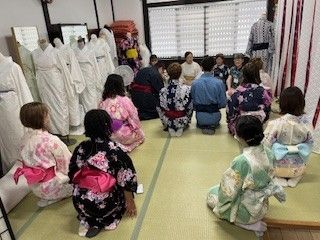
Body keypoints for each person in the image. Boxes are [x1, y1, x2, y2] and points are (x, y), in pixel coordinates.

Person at [207, 115, 286, 237]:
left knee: (211, 194)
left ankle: (247, 224)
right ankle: (252, 221)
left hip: (247, 211)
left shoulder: (242, 161)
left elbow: (228, 190)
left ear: (240, 138)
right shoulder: (268, 152)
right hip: (262, 206)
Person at [69, 110, 137, 238]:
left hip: (82, 202)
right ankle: (104, 220)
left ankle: (88, 220)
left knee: (85, 192)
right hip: (106, 203)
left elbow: (73, 173)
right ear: (108, 126)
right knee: (118, 188)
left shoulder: (81, 148)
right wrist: (130, 201)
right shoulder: (115, 150)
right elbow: (126, 179)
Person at [14, 102, 72, 207]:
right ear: (43, 118)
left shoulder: (24, 139)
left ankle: (46, 197)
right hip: (51, 186)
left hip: (34, 186)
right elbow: (67, 163)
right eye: (47, 115)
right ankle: (54, 197)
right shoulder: (51, 140)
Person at [263, 87, 313, 187]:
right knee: (299, 167)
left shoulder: (276, 124)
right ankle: (296, 177)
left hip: (278, 167)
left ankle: (278, 177)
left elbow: (266, 144)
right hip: (298, 168)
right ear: (302, 103)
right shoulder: (307, 124)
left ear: (281, 104)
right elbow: (310, 143)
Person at [99, 74, 144, 152]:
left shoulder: (102, 101)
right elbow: (134, 116)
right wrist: (137, 129)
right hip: (122, 133)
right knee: (141, 135)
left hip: (107, 134)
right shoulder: (124, 99)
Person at [226, 62, 272, 135]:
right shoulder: (264, 92)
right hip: (257, 127)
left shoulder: (237, 93)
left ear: (243, 75)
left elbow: (230, 113)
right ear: (257, 75)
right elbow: (267, 111)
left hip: (240, 129)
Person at [191, 57, 226, 135]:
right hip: (215, 118)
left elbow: (193, 102)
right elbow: (223, 104)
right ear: (213, 67)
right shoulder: (219, 83)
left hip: (200, 118)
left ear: (201, 67)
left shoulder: (195, 83)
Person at [157, 63, 193, 137]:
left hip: (167, 120)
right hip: (182, 119)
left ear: (169, 74)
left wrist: (164, 123)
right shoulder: (186, 89)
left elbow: (159, 108)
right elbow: (190, 107)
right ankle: (181, 127)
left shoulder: (163, 91)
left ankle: (170, 127)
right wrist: (188, 120)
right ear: (180, 74)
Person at [74, 37, 102, 113]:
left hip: (89, 72)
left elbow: (95, 65)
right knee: (83, 92)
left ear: (84, 42)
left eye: (81, 42)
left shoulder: (90, 51)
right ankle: (86, 112)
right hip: (79, 72)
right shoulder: (74, 52)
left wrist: (97, 75)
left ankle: (93, 110)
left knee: (91, 90)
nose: (80, 43)